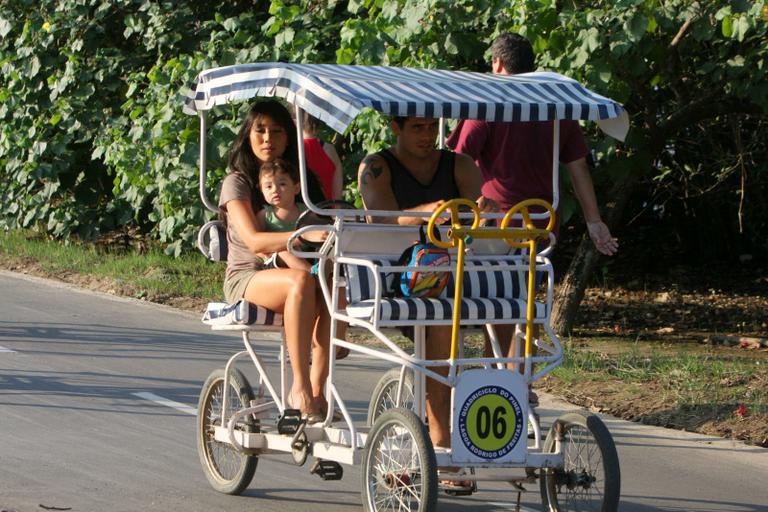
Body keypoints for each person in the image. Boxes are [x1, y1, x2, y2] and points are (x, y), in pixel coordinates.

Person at [446, 32, 619, 416]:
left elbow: (458, 160)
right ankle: (514, 381)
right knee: (522, 304)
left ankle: (500, 381)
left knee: (496, 304)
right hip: (539, 224)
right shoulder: (554, 106)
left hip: (494, 222)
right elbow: (577, 167)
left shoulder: (488, 102)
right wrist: (595, 221)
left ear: (497, 65)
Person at [358, 115, 496, 491]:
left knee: (514, 306)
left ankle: (503, 388)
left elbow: (477, 216)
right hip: (400, 278)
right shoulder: (377, 166)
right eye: (417, 127)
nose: (427, 135)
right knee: (438, 320)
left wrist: (482, 213)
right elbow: (382, 219)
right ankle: (442, 442)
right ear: (395, 128)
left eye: (431, 127)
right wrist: (427, 212)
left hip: (459, 271)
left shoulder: (461, 165)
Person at [219, 100, 331, 422]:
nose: (268, 138)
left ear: (289, 137)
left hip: (301, 270)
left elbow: (324, 221)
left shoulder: (302, 180)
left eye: (277, 131)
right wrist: (302, 237)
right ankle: (300, 388)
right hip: (248, 276)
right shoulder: (237, 182)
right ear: (248, 135)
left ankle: (318, 392)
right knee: (302, 281)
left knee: (330, 284)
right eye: (261, 130)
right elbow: (254, 241)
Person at [256, 158, 310, 271]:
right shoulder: (265, 215)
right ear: (262, 191)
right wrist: (265, 255)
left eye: (282, 184)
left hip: (306, 254)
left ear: (296, 188)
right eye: (268, 187)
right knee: (284, 252)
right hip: (278, 260)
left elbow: (318, 227)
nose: (275, 190)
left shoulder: (304, 211)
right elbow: (256, 243)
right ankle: (313, 273)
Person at [302, 111, 344, 201]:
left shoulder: (294, 148)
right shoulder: (329, 149)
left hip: (302, 211)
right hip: (327, 210)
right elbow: (337, 195)